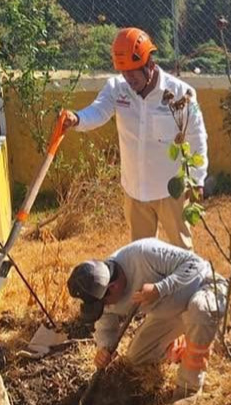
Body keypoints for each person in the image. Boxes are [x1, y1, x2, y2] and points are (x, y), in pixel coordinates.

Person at [63, 28, 208, 250]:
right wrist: (77, 118)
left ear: (149, 65)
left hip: (172, 191)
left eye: (133, 72)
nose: (128, 79)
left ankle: (187, 286)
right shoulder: (116, 89)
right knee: (141, 255)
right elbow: (98, 111)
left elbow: (197, 137)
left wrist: (197, 180)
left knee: (182, 253)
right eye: (124, 72)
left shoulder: (181, 93)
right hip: (135, 191)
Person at [67, 238, 228, 402]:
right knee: (136, 357)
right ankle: (179, 344)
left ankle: (190, 388)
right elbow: (105, 325)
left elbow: (196, 265)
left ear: (112, 287)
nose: (105, 307)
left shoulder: (143, 253)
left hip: (206, 287)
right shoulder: (102, 293)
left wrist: (160, 289)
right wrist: (104, 347)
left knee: (199, 308)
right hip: (172, 312)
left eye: (104, 303)